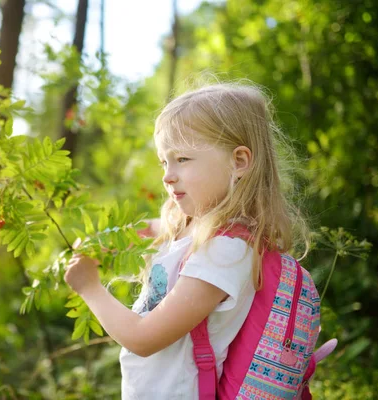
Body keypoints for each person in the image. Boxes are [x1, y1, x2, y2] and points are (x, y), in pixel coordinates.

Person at [63, 82, 309, 399]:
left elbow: (143, 338)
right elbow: (156, 228)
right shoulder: (192, 227)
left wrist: (89, 287)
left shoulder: (225, 252)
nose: (167, 175)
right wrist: (115, 240)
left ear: (239, 162)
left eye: (182, 159)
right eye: (164, 161)